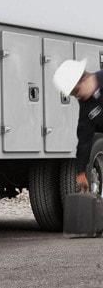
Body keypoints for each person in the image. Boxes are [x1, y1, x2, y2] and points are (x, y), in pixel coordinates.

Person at [52, 59, 102, 192]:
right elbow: (84, 140)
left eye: (77, 91)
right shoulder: (86, 105)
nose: (77, 96)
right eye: (74, 94)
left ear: (84, 79)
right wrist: (80, 172)